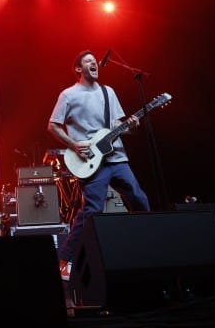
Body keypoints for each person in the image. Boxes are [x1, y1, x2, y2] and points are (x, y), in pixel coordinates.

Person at [48, 49, 151, 281]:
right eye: (88, 61)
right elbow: (53, 126)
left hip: (117, 157)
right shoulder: (68, 95)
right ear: (78, 69)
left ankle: (147, 244)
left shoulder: (108, 92)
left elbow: (115, 123)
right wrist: (74, 145)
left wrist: (129, 125)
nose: (94, 63)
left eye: (95, 61)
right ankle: (66, 260)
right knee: (92, 211)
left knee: (139, 198)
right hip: (91, 162)